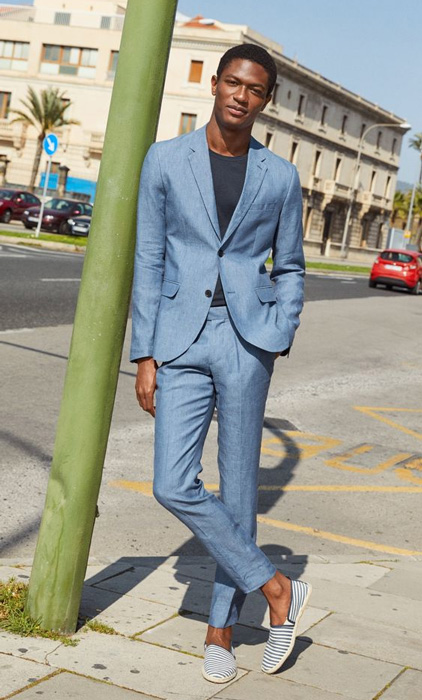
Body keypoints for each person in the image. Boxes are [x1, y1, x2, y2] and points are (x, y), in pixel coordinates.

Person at [130, 43, 311, 684]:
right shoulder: (166, 160)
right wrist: (145, 354)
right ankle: (276, 585)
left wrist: (278, 333)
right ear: (214, 84)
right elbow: (149, 259)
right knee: (173, 483)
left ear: (266, 100)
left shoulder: (280, 177)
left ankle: (219, 631)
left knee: (238, 491)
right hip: (178, 339)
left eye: (254, 89)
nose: (240, 95)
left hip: (246, 342)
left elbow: (290, 265)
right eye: (231, 82)